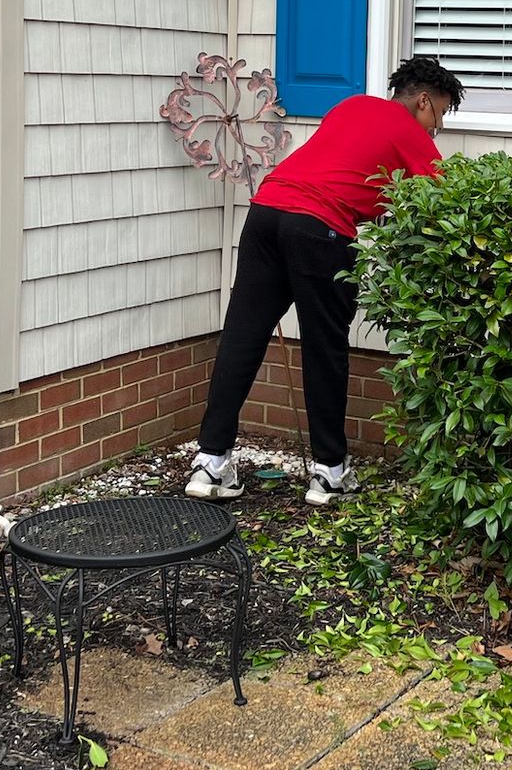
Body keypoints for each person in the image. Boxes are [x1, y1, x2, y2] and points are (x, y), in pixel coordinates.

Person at [185, 56, 465, 506]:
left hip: (267, 212)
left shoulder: (351, 107)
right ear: (424, 101)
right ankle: (329, 473)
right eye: (441, 114)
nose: (438, 128)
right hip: (320, 228)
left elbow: (347, 169)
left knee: (241, 337)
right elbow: (445, 199)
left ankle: (209, 462)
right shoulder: (410, 132)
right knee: (324, 349)